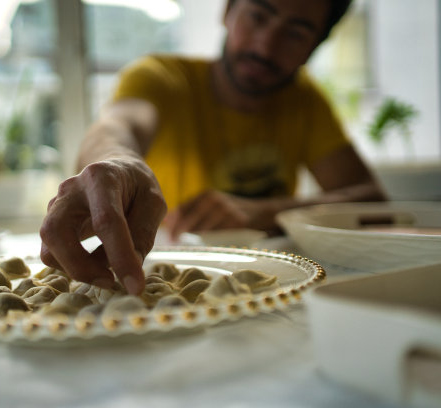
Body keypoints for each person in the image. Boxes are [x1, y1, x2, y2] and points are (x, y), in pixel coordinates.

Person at [39, 0, 386, 295]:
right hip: (156, 289)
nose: (265, 46)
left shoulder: (306, 101)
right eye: (258, 16)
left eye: (295, 33)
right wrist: (117, 162)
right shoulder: (160, 77)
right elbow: (116, 127)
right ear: (227, 10)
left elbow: (373, 201)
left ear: (314, 47)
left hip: (265, 293)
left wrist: (260, 211)